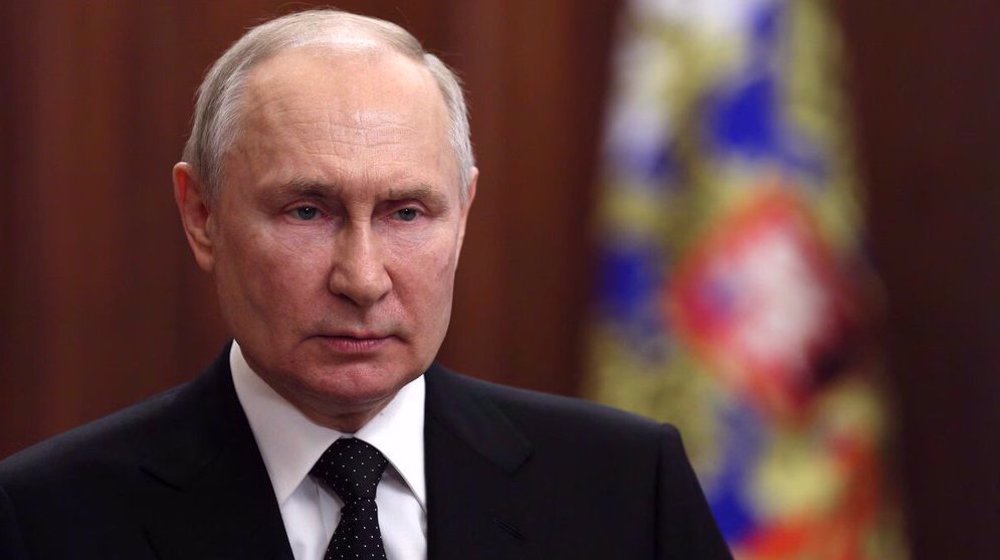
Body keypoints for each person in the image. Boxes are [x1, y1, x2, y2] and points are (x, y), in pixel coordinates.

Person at [0, 9, 730, 560]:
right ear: (202, 216)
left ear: (464, 214)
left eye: (407, 211)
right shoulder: (42, 520)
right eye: (308, 211)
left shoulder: (628, 491)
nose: (362, 277)